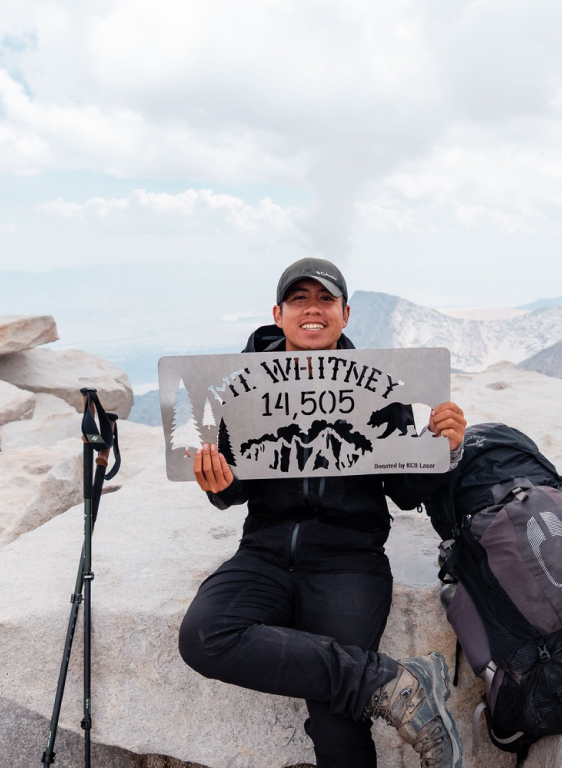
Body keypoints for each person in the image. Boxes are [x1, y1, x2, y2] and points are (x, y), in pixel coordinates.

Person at [178, 257, 467, 768]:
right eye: (299, 299)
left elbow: (404, 490)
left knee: (337, 719)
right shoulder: (238, 388)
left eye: (325, 300)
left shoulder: (380, 385)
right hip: (264, 555)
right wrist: (215, 485)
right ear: (278, 313)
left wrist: (441, 449)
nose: (312, 309)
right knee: (204, 636)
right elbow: (234, 487)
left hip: (348, 563)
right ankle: (391, 682)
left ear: (345, 314)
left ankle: (377, 687)